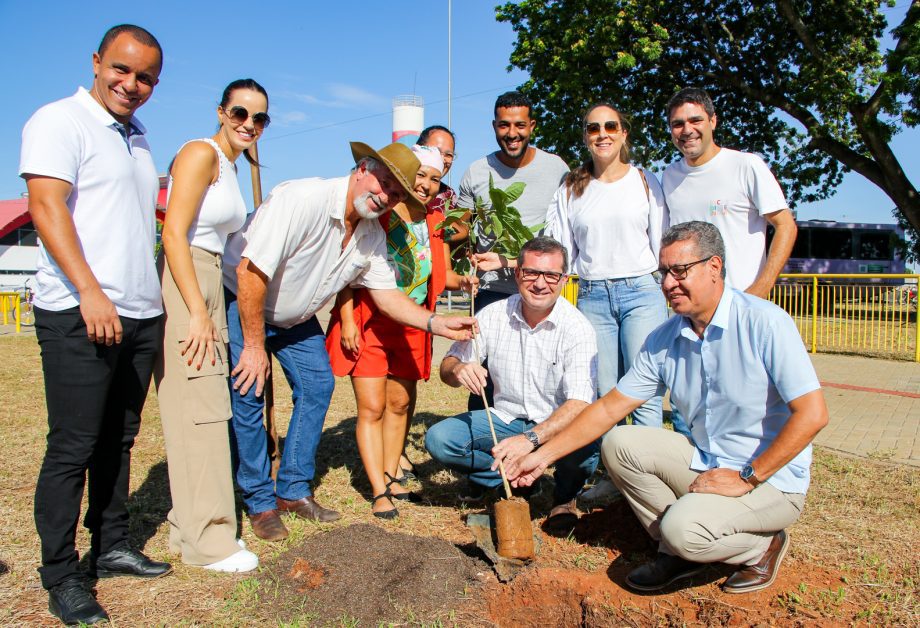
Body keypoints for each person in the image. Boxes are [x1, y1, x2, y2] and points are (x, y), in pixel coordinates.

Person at [506, 222, 829, 595]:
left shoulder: (765, 322)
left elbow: (813, 414)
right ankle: (678, 550)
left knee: (681, 530)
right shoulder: (665, 337)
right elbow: (609, 408)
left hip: (770, 481)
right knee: (620, 442)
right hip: (707, 462)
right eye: (663, 272)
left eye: (680, 271)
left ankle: (760, 547)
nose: (669, 283)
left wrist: (747, 477)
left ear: (714, 267)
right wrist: (541, 455)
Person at [222, 141, 475, 541]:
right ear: (362, 168)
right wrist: (254, 347)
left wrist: (435, 323)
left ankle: (292, 490)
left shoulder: (371, 232)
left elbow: (386, 295)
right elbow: (250, 274)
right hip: (248, 301)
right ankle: (259, 500)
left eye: (396, 193)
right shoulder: (301, 199)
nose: (385, 195)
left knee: (318, 385)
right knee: (250, 392)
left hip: (296, 316)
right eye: (384, 182)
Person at [20, 24, 171, 626]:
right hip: (80, 310)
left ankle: (110, 543)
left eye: (146, 79)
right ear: (97, 61)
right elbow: (46, 206)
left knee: (120, 439)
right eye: (122, 70)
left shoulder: (136, 137)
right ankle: (61, 574)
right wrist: (89, 292)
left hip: (137, 314)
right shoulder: (60, 121)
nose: (131, 85)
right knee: (73, 446)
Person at [154, 79, 270, 573]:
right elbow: (173, 233)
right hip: (189, 278)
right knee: (199, 408)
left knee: (203, 405)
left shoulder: (232, 165)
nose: (249, 124)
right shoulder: (201, 153)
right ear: (221, 111)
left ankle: (191, 528)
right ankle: (211, 544)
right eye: (240, 113)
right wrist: (198, 313)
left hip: (208, 277)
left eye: (260, 118)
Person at [326, 146, 477, 518]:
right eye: (420, 176)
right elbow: (347, 267)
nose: (425, 185)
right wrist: (347, 318)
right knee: (372, 406)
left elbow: (437, 271)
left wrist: (465, 279)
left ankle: (393, 474)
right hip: (371, 320)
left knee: (400, 404)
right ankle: (378, 488)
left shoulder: (434, 220)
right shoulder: (380, 211)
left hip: (413, 321)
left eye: (434, 178)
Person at [425, 237, 599, 524]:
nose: (540, 284)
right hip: (506, 419)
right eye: (531, 272)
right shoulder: (494, 314)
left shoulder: (577, 328)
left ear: (563, 279)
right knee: (440, 440)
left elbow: (580, 404)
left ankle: (564, 499)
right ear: (518, 274)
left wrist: (530, 440)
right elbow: (448, 365)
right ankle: (520, 480)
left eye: (551, 275)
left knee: (586, 444)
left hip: (555, 424)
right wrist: (457, 369)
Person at [546, 101, 669, 426]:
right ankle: (612, 472)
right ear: (585, 137)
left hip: (642, 293)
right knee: (601, 393)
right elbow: (561, 251)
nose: (603, 134)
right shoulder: (571, 188)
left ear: (624, 133)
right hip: (593, 298)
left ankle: (645, 473)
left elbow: (662, 242)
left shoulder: (644, 180)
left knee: (644, 391)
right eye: (594, 128)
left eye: (610, 126)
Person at [662, 87, 797, 298]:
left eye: (695, 120)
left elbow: (786, 225)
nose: (687, 130)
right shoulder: (670, 176)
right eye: (678, 124)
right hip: (690, 309)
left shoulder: (746, 165)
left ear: (713, 121)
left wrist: (760, 289)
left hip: (741, 301)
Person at [460, 91, 570, 311]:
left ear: (532, 126)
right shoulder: (477, 171)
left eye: (520, 125)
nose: (512, 134)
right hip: (490, 289)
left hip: (543, 288)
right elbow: (461, 231)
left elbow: (567, 229)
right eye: (504, 125)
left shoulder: (557, 169)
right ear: (494, 126)